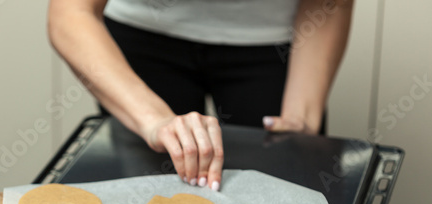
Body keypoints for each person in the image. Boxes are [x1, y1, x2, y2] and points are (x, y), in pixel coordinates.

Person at [47, 0, 354, 191]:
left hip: (276, 41)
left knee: (285, 185)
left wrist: (300, 118)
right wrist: (154, 121)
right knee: (146, 194)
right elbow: (71, 11)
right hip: (142, 32)